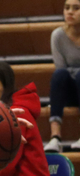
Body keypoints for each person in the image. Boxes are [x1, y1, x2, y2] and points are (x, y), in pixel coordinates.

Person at [44, 0, 80, 152]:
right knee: (59, 74)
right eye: (67, 8)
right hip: (70, 90)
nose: (70, 12)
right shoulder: (58, 35)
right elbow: (61, 68)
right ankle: (55, 138)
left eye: (76, 8)